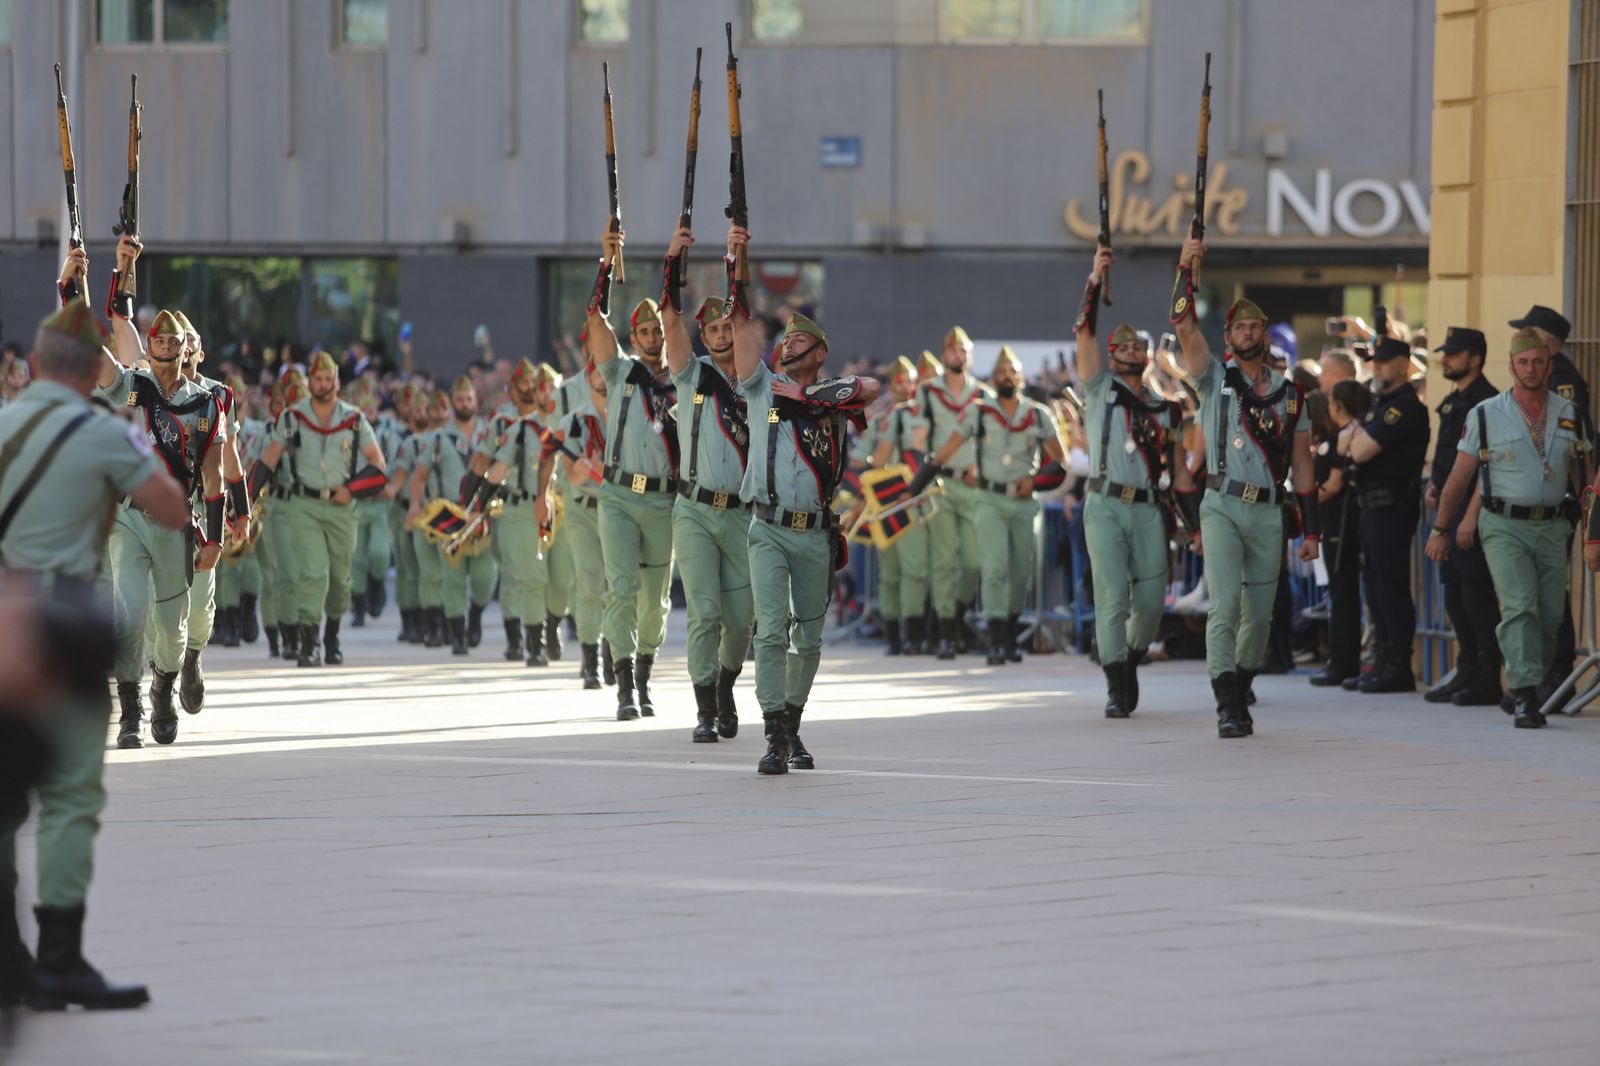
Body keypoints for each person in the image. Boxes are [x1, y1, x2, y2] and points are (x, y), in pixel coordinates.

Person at [1, 300, 189, 1011]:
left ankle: (5, 959)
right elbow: (169, 507)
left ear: (39, 365)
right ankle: (59, 959)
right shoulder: (103, 429)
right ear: (91, 375)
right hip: (55, 625)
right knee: (70, 794)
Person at [729, 223, 879, 774]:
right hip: (767, 526)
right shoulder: (761, 386)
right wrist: (737, 264)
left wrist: (810, 394)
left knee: (809, 639)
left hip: (816, 531)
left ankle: (793, 724)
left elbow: (871, 389)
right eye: (786, 339)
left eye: (800, 341)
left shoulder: (831, 399)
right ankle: (772, 735)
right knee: (770, 630)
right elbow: (743, 329)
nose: (787, 343)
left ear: (820, 353)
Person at [1171, 235, 1319, 738]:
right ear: (1229, 335)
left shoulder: (1289, 394)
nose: (1249, 332)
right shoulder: (1212, 377)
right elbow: (1183, 324)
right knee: (1226, 606)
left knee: (1260, 613)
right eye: (1241, 326)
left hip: (1269, 510)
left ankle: (1244, 681)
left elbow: (1301, 463)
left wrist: (1312, 529)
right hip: (1222, 504)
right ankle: (1226, 701)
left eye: (1256, 325)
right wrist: (1185, 266)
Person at [91, 239, 227, 748]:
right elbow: (106, 337)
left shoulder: (207, 404)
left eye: (176, 342)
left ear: (187, 349)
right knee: (129, 614)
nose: (167, 346)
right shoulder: (132, 387)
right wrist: (121, 269)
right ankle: (130, 710)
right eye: (159, 341)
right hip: (129, 516)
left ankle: (165, 690)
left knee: (171, 627)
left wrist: (213, 537)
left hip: (176, 519)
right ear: (149, 348)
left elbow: (212, 476)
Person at [1427, 328, 1588, 728]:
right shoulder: (1485, 413)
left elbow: (1587, 478)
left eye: (1537, 361)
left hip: (1552, 527)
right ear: (1511, 366)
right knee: (1519, 608)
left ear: (1549, 365)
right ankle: (1524, 693)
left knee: (1550, 617)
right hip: (1503, 526)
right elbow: (1460, 478)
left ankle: (1526, 679)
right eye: (1522, 362)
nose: (1530, 369)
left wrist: (1591, 533)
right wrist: (1441, 528)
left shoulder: (1569, 414)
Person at [578, 229, 679, 721]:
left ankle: (644, 676)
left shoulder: (682, 379)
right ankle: (622, 688)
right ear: (634, 337)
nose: (654, 339)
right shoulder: (619, 372)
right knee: (621, 589)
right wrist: (605, 262)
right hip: (617, 497)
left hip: (664, 503)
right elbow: (594, 318)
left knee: (655, 601)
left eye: (659, 331)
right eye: (646, 333)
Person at [662, 224, 754, 744]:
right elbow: (669, 318)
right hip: (694, 509)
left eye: (728, 328)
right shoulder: (690, 375)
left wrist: (737, 255)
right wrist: (674, 258)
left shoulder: (758, 382)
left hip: (741, 513)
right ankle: (702, 708)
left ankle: (725, 684)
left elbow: (747, 306)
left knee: (741, 621)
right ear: (704, 336)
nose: (721, 335)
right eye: (713, 330)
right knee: (705, 611)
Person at [252, 352, 386, 666]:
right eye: (318, 379)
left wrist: (350, 489)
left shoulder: (355, 419)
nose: (323, 384)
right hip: (304, 504)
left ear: (338, 383)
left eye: (329, 379)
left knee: (340, 580)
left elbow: (378, 464)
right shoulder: (292, 417)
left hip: (341, 506)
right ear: (309, 381)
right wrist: (244, 501)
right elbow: (269, 460)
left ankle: (332, 635)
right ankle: (309, 643)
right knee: (313, 573)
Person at [1342, 336, 1430, 693]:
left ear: (1403, 363)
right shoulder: (1381, 405)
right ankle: (1381, 659)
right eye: (1374, 362)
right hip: (1370, 507)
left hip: (1391, 507)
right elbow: (1348, 445)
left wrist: (1355, 441)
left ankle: (1398, 665)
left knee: (1390, 587)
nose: (1376, 367)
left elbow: (1358, 451)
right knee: (1375, 587)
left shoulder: (1405, 406)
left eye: (1384, 361)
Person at [1508, 305, 1587, 692]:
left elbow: (1576, 449)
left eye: (1528, 332)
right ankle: (1541, 675)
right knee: (1531, 595)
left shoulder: (1563, 381)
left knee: (1551, 595)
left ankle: (1557, 673)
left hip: (1560, 504)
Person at [1422, 327, 1502, 706]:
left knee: (1476, 594)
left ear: (1475, 358)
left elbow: (1486, 468)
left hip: (1472, 513)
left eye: (1454, 354)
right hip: (1449, 510)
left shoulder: (1486, 401)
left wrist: (1469, 517)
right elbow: (1451, 457)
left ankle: (1488, 674)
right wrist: (1436, 486)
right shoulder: (1457, 399)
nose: (1446, 359)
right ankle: (1467, 667)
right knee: (1455, 592)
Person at [471, 359, 559, 666]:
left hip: (563, 510)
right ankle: (526, 641)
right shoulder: (513, 425)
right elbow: (487, 465)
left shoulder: (571, 423)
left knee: (560, 578)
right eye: (537, 388)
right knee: (518, 573)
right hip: (518, 507)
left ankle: (554, 625)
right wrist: (475, 506)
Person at [915, 326, 991, 658]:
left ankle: (955, 619)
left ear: (970, 355)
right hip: (941, 482)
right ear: (943, 354)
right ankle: (946, 633)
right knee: (943, 561)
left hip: (973, 485)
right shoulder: (929, 392)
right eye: (952, 350)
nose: (957, 355)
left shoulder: (983, 394)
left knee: (974, 562)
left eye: (963, 350)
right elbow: (918, 440)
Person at [406, 377, 497, 656]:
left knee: (485, 578)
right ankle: (457, 634)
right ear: (453, 403)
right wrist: (414, 505)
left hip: (480, 516)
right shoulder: (437, 437)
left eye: (469, 399)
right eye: (459, 400)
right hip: (450, 518)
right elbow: (419, 477)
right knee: (452, 578)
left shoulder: (488, 432)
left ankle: (477, 614)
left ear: (476, 401)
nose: (465, 404)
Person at [540, 362, 609, 689]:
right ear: (589, 377)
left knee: (620, 587)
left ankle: (616, 654)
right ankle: (591, 659)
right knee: (589, 583)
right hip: (583, 509)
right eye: (597, 373)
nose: (603, 379)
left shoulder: (630, 415)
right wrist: (586, 468)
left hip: (619, 509)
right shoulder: (575, 422)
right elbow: (570, 472)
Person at [861, 356, 928, 655]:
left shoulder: (923, 417)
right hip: (885, 505)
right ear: (890, 386)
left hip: (912, 501)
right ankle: (893, 637)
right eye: (899, 381)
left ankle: (914, 634)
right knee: (889, 573)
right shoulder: (877, 422)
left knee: (915, 570)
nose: (906, 386)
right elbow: (860, 461)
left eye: (910, 380)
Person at [1307, 380, 1370, 687]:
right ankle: (1341, 659)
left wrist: (1304, 500)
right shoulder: (1339, 436)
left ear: (1338, 405)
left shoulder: (1346, 436)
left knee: (1343, 594)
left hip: (1340, 524)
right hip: (1333, 523)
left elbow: (1333, 485)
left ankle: (1343, 662)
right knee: (1340, 593)